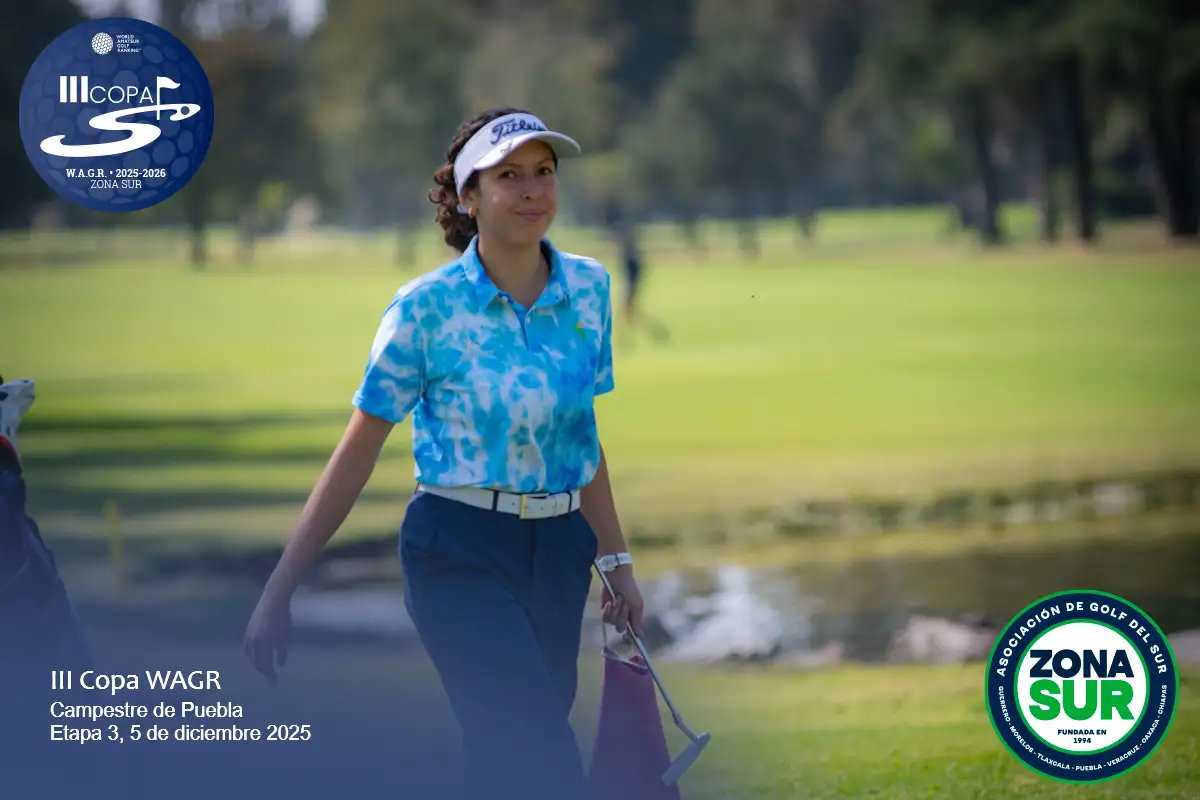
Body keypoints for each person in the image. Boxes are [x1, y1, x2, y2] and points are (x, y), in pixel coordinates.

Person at [243, 107, 646, 800]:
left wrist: (617, 563)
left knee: (508, 753)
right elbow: (356, 453)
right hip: (456, 550)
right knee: (539, 748)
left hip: (558, 552)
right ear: (468, 197)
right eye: (509, 176)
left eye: (544, 172)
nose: (532, 190)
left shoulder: (589, 289)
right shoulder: (424, 308)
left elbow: (580, 436)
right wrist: (280, 590)